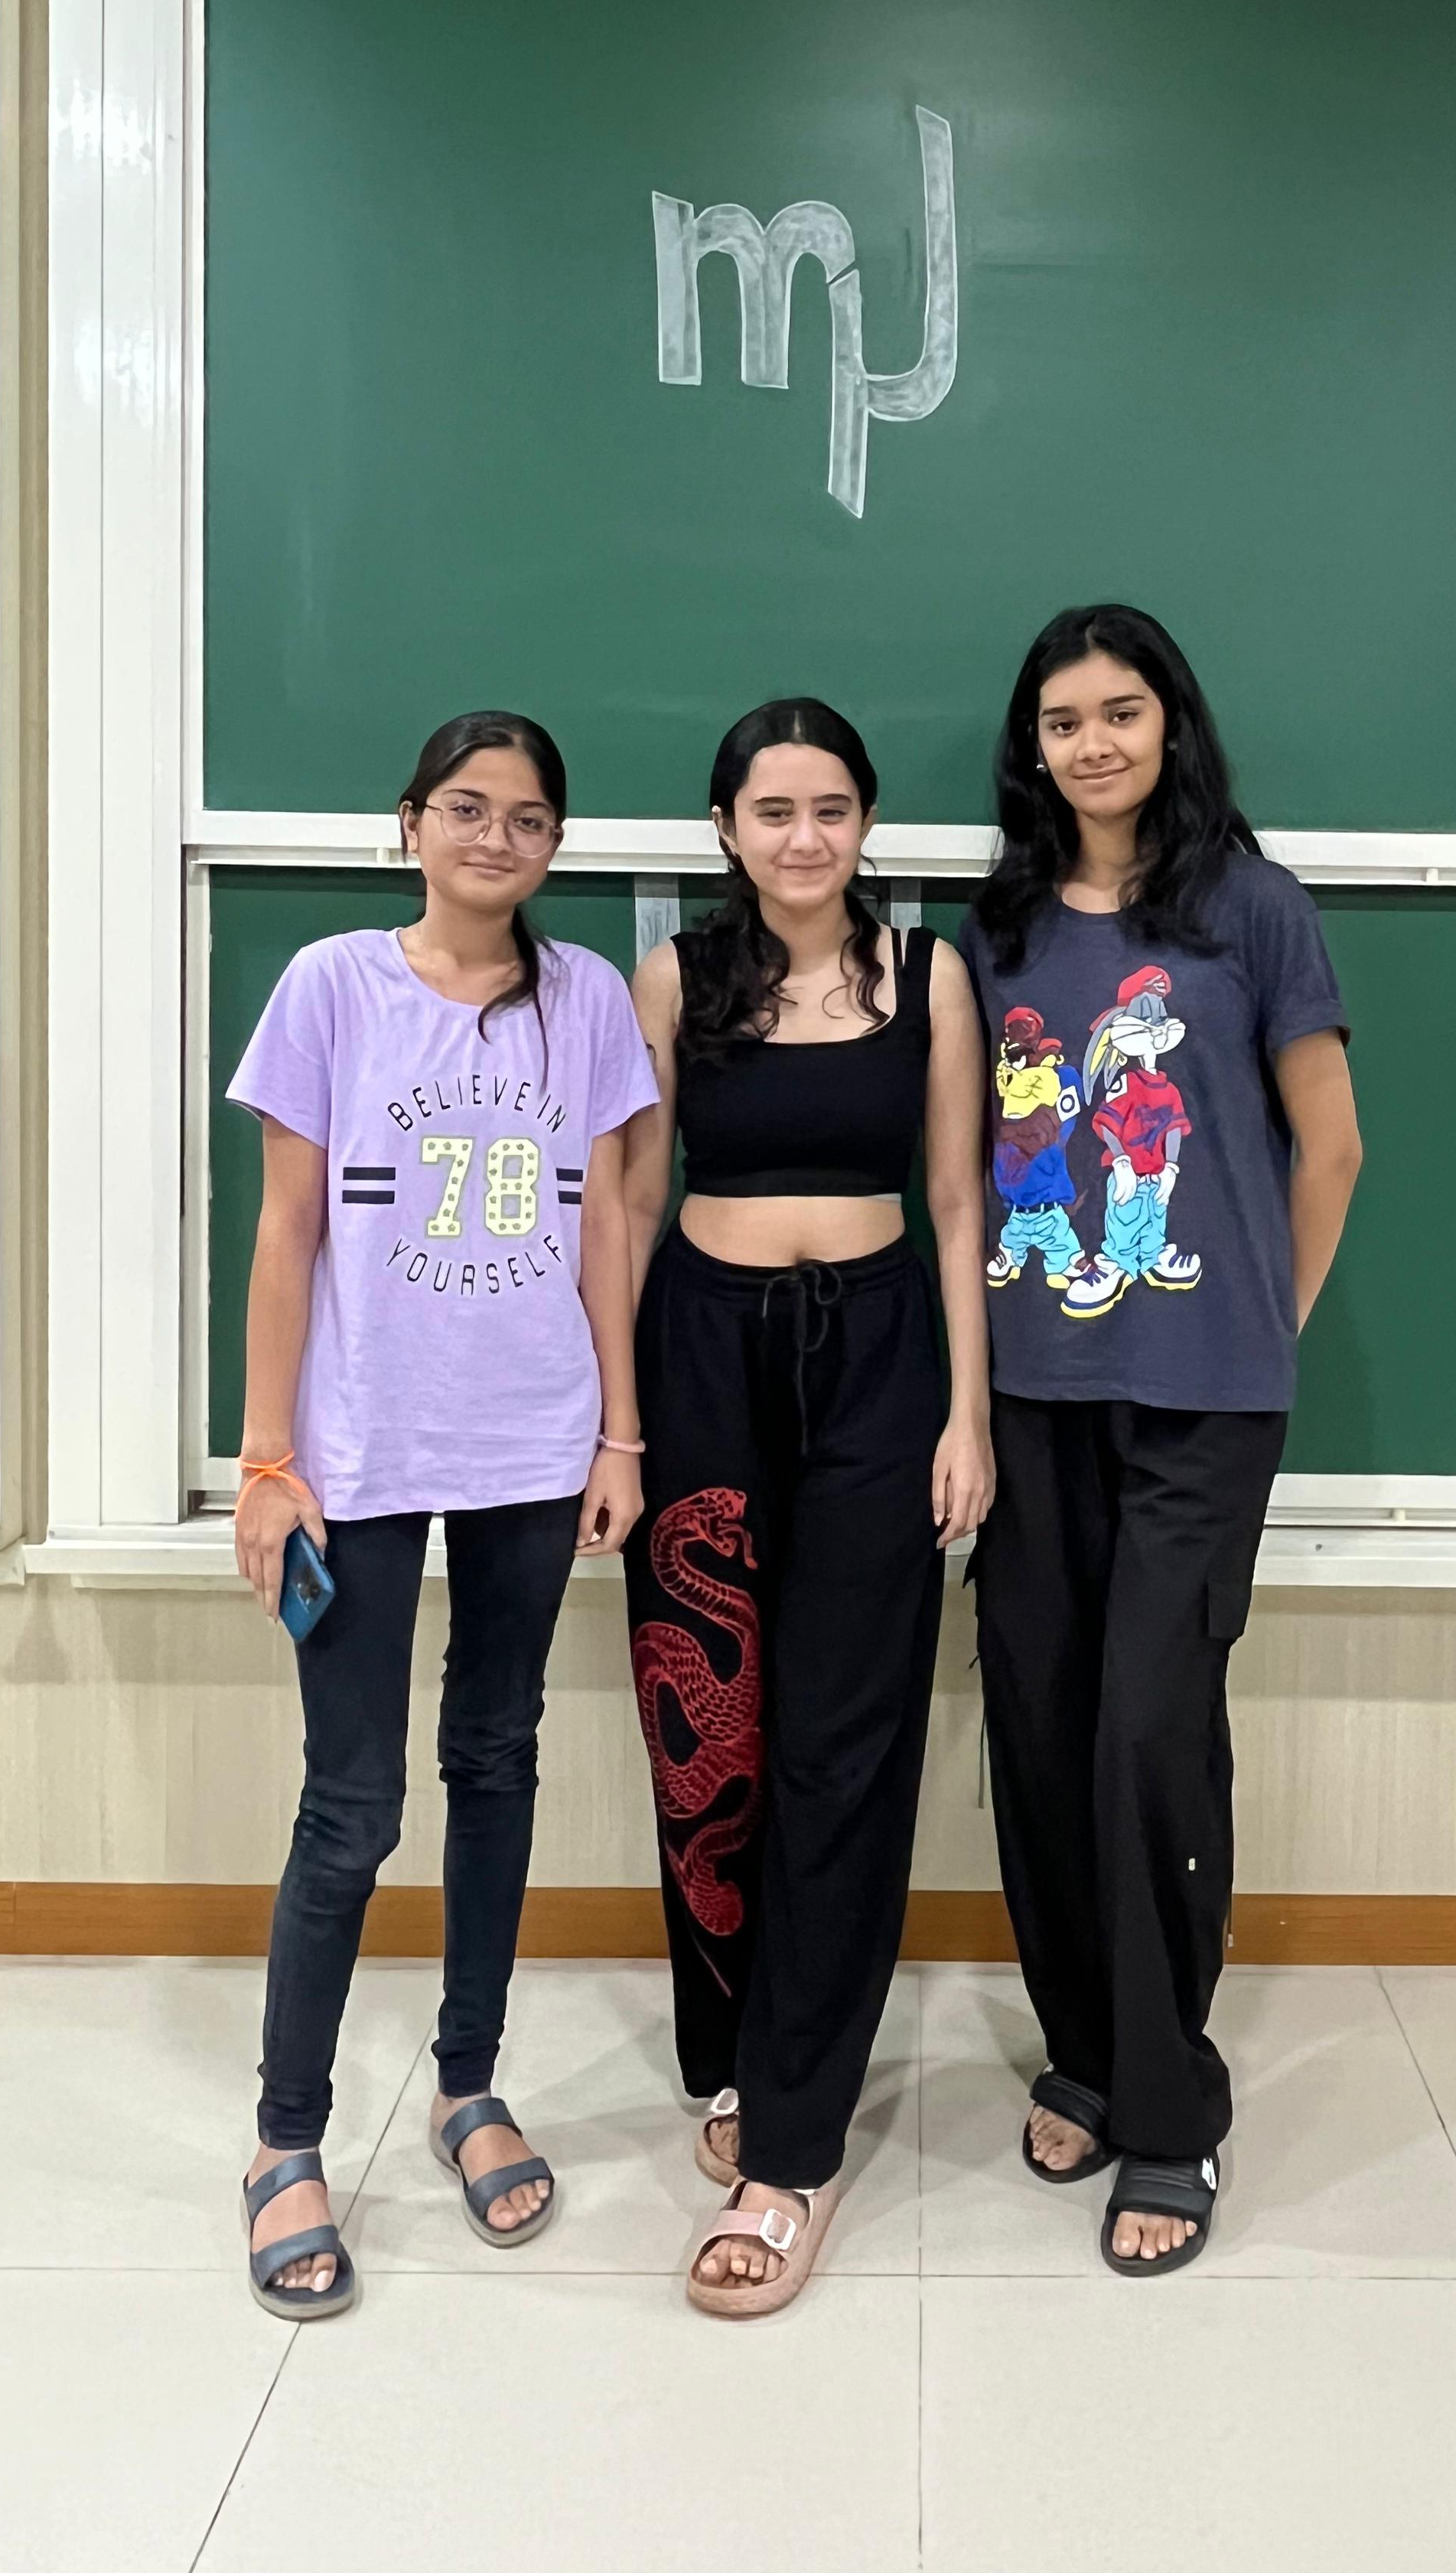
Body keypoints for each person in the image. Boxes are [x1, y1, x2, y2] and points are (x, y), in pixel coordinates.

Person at [227, 711, 655, 2320]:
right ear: (410, 823)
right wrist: (268, 1457)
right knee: (352, 1807)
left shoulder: (587, 999)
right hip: (361, 1451)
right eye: (466, 809)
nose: (495, 839)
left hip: (534, 1445)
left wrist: (619, 1433)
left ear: (555, 846)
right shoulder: (332, 986)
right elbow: (285, 1231)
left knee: (498, 1756)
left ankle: (468, 2084)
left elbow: (607, 1227)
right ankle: (285, 2142)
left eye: (528, 819)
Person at [960, 605, 1363, 2274]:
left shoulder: (1252, 909)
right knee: (1043, 1732)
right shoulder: (991, 931)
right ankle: (1084, 2050)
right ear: (1033, 749)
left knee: (1149, 1735)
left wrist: (1263, 1331)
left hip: (1203, 1400)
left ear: (1172, 726)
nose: (1094, 744)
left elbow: (1330, 1149)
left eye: (1121, 712)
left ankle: (1168, 2105)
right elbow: (961, 1168)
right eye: (1064, 721)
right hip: (1029, 1396)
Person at [623, 697, 992, 2318]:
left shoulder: (928, 976)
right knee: (707, 1732)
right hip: (701, 1358)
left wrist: (968, 1413)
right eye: (772, 810)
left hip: (881, 1363)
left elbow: (961, 1197)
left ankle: (795, 2145)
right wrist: (618, 1425)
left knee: (847, 1739)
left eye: (830, 808)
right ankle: (734, 2050)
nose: (803, 837)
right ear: (726, 828)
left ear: (866, 823)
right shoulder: (674, 980)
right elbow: (630, 1199)